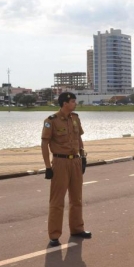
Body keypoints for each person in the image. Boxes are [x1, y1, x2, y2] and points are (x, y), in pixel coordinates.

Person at [41, 92, 91, 248]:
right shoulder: (51, 121)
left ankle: (77, 229)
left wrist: (82, 158)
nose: (75, 103)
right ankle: (54, 235)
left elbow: (79, 139)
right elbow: (44, 144)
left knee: (77, 198)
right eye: (72, 101)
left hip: (75, 161)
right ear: (64, 103)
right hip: (60, 162)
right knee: (57, 201)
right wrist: (48, 167)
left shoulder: (75, 118)